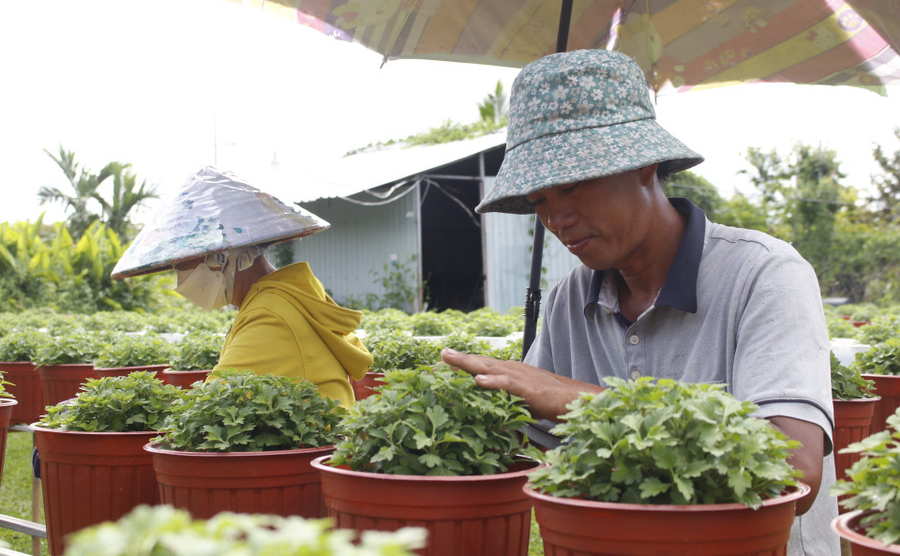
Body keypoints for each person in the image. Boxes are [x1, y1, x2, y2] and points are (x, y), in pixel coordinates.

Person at [441, 50, 838, 555]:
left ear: (644, 165)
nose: (557, 217)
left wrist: (576, 398)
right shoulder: (569, 299)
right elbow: (532, 436)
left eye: (572, 184)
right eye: (539, 200)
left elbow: (794, 468)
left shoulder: (764, 274)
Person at [111, 166, 372, 407]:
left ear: (222, 256)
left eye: (182, 264)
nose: (180, 278)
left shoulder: (270, 315)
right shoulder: (276, 299)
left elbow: (210, 407)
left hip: (310, 454)